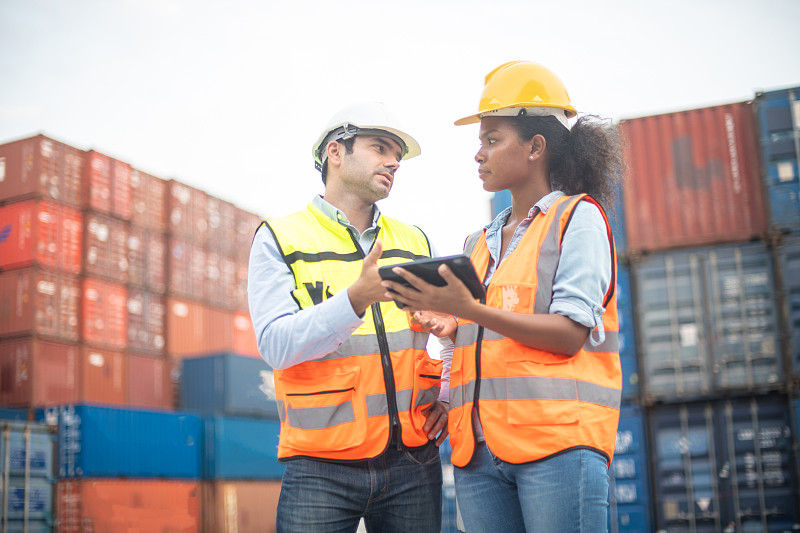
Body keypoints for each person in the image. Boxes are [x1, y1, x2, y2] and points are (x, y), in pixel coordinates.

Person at [381, 61, 625, 533]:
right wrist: (452, 332)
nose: (479, 154)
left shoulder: (577, 219)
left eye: (492, 139)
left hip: (557, 448)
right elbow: (487, 342)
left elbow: (570, 334)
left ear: (536, 147)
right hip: (477, 453)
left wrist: (469, 310)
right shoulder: (478, 243)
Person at [247, 101, 455, 533]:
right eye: (380, 147)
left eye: (397, 155)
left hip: (413, 459)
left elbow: (447, 331)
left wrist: (450, 396)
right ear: (335, 153)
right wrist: (353, 301)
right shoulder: (280, 238)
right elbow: (276, 345)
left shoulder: (414, 240)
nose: (394, 162)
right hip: (320, 466)